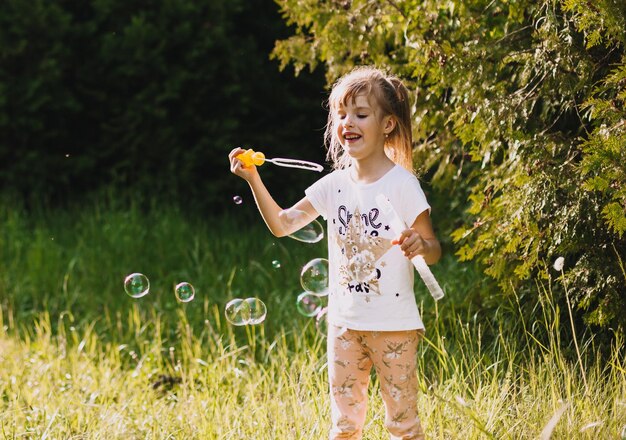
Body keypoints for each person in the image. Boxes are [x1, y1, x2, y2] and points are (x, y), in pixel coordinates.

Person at [229, 66, 440, 440]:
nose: (348, 123)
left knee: (403, 425)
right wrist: (253, 179)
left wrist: (420, 245)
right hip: (344, 325)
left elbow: (434, 248)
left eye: (360, 114)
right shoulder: (334, 185)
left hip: (394, 325)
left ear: (388, 124)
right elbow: (282, 223)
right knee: (344, 426)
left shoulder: (403, 185)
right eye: (341, 115)